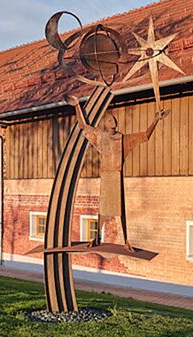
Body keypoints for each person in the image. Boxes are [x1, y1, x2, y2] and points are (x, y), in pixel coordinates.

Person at [66, 94, 167, 251]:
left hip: (117, 175)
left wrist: (156, 120)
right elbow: (83, 127)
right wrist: (78, 106)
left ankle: (126, 239)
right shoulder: (100, 137)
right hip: (106, 176)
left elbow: (145, 136)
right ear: (105, 125)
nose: (112, 121)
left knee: (120, 208)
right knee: (103, 207)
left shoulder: (124, 139)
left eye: (114, 119)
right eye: (109, 120)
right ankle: (96, 237)